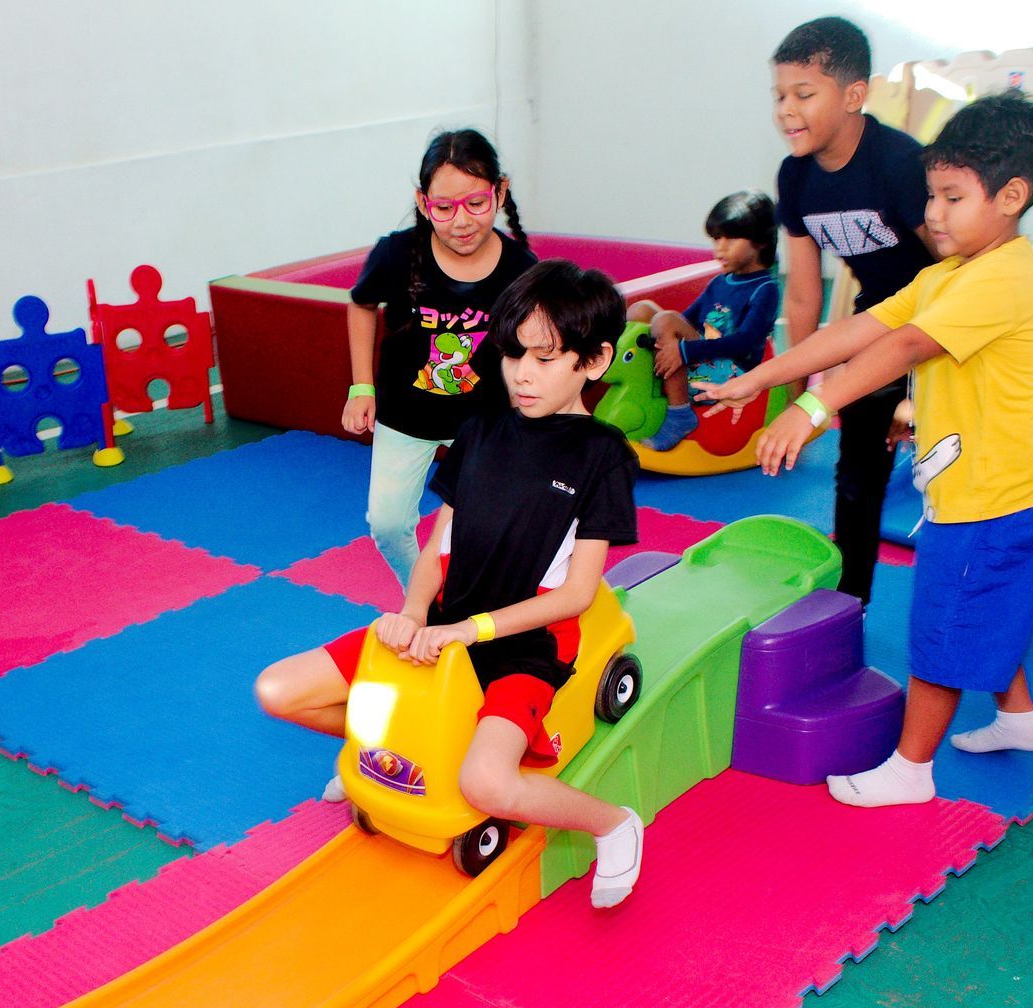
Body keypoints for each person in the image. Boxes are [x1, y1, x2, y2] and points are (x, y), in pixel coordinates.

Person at [700, 91, 1033, 809]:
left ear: (1011, 196)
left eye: (951, 197)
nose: (931, 213)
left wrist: (812, 409)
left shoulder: (1003, 278)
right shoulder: (950, 274)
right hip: (1017, 494)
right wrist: (763, 377)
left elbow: (902, 345)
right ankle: (1020, 717)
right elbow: (864, 327)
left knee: (941, 633)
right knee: (993, 610)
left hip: (991, 505)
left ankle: (910, 769)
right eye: (930, 194)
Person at [259, 260, 647, 907]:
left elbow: (577, 595)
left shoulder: (603, 459)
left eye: (546, 358)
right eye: (513, 353)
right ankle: (397, 749)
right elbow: (438, 544)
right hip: (443, 624)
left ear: (595, 360)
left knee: (487, 787)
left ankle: (613, 825)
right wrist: (413, 611)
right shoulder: (481, 432)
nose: (522, 373)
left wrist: (471, 631)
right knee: (279, 691)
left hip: (524, 646)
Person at [770, 16, 935, 603]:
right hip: (876, 325)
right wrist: (796, 392)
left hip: (941, 326)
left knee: (954, 475)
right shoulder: (795, 177)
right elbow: (803, 294)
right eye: (780, 95)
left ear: (854, 95)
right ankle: (851, 604)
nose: (786, 109)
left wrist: (920, 383)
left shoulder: (898, 163)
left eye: (804, 94)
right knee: (858, 473)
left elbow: (953, 265)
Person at [345, 129, 539, 587]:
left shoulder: (521, 269)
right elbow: (360, 304)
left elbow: (532, 346)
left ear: (501, 191)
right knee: (388, 525)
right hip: (406, 414)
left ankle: (470, 605)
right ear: (422, 201)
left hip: (485, 418)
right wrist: (361, 387)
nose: (461, 221)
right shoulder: (396, 254)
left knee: (486, 526)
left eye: (476, 203)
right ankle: (426, 600)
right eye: (444, 207)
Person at [632, 190, 783, 451]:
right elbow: (686, 320)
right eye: (716, 239)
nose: (719, 248)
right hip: (704, 357)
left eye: (730, 238)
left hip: (734, 374)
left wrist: (684, 350)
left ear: (760, 242)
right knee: (642, 310)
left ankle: (679, 415)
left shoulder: (765, 288)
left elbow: (745, 342)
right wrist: (664, 340)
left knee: (665, 320)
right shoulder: (719, 282)